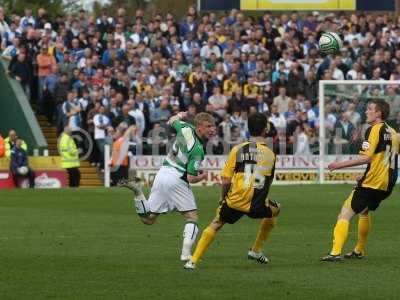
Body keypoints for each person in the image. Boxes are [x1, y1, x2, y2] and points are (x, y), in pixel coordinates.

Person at [184, 112, 281, 270]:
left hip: (234, 200)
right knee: (276, 209)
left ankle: (192, 261)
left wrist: (223, 198)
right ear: (265, 130)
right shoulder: (271, 155)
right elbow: (266, 182)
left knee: (216, 223)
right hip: (257, 204)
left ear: (248, 130)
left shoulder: (238, 149)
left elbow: (226, 180)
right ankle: (256, 250)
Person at [120, 112, 215, 262]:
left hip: (162, 173)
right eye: (208, 126)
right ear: (199, 128)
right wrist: (203, 177)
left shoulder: (184, 127)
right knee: (192, 217)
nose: (213, 129)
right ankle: (186, 254)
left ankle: (138, 192)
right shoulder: (198, 149)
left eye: (213, 126)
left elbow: (172, 120)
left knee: (148, 219)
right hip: (176, 178)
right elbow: (190, 178)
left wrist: (179, 114)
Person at [321, 100, 399, 261]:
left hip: (373, 182)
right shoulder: (393, 132)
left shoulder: (373, 129)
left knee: (345, 213)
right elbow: (383, 158)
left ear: (378, 113)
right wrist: (364, 175)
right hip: (387, 184)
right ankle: (359, 250)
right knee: (364, 211)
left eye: (370, 109)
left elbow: (367, 158)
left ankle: (335, 253)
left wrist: (339, 165)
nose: (366, 112)